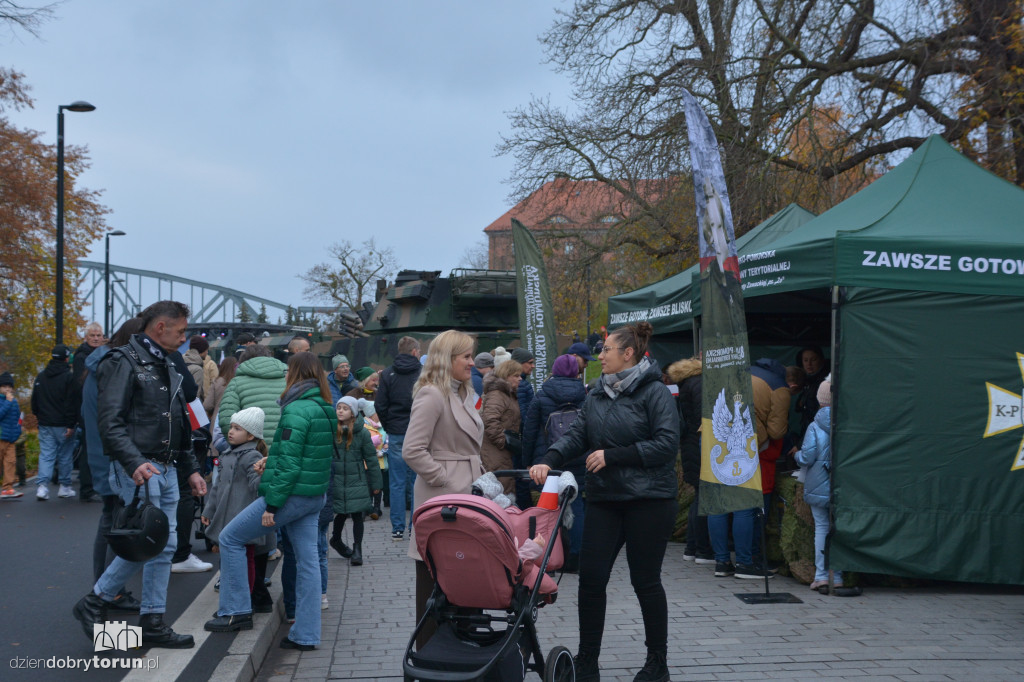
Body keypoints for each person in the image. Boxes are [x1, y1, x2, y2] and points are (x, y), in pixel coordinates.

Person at [529, 321, 678, 682]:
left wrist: (614, 455)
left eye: (606, 349)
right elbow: (578, 434)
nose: (600, 354)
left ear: (628, 354)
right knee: (592, 579)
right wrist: (549, 458)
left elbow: (667, 444)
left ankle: (657, 663)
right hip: (604, 498)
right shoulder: (596, 391)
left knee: (645, 581)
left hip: (649, 499)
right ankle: (587, 661)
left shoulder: (655, 392)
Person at [73, 300, 207, 649]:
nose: (184, 338)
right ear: (160, 328)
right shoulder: (122, 361)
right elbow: (109, 422)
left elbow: (179, 423)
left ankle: (149, 620)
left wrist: (190, 469)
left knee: (159, 546)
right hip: (142, 467)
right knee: (146, 542)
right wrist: (133, 463)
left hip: (161, 465)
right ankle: (99, 602)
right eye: (180, 331)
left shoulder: (162, 362)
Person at [204, 352, 333, 652]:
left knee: (230, 537)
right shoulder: (322, 407)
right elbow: (303, 453)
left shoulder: (295, 408)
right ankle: (307, 634)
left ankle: (235, 610)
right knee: (308, 562)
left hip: (291, 495)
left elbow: (289, 462)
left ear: (295, 374)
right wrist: (269, 460)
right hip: (314, 495)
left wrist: (272, 506)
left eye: (288, 371)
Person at [403, 330, 484, 648]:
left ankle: (463, 653)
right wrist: (446, 481)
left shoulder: (462, 392)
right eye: (465, 356)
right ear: (447, 359)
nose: (471, 361)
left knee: (467, 580)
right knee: (436, 586)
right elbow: (412, 450)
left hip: (467, 498)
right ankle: (432, 656)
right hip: (443, 502)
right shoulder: (432, 394)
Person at [81, 317, 146, 612]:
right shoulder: (114, 366)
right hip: (115, 455)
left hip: (101, 452)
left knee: (110, 520)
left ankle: (105, 589)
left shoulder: (97, 364)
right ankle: (109, 592)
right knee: (120, 523)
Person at [216, 343, 287, 609]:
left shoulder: (238, 381)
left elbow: (226, 420)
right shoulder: (285, 376)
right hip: (281, 455)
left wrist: (241, 441)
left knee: (242, 525)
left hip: (250, 454)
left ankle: (250, 591)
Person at [522, 354, 587, 570]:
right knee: (576, 504)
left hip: (547, 461)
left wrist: (528, 461)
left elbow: (529, 432)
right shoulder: (584, 395)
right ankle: (575, 557)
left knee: (547, 509)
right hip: (578, 458)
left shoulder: (542, 395)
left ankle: (549, 555)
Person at [201, 407, 268, 602]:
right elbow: (216, 487)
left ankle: (243, 600)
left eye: (237, 428)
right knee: (229, 560)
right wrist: (209, 509)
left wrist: (263, 474)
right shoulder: (226, 455)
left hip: (242, 517)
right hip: (225, 516)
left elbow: (256, 487)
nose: (230, 431)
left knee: (246, 560)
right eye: (231, 427)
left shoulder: (252, 456)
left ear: (250, 435)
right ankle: (233, 597)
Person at [795, 375, 841, 590]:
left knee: (821, 527)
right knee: (839, 528)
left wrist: (796, 456)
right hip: (842, 485)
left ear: (820, 399)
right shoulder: (847, 423)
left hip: (818, 482)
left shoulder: (815, 426)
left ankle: (822, 576)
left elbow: (807, 457)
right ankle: (838, 576)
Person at [666, 356, 713, 565]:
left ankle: (693, 547)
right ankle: (701, 549)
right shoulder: (700, 382)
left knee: (699, 497)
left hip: (690, 446)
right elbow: (705, 418)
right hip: (700, 446)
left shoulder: (687, 382)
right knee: (703, 498)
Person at [375, 336, 421, 541]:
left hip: (396, 432)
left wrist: (389, 426)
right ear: (414, 352)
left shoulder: (386, 373)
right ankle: (415, 525)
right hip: (419, 432)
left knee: (396, 481)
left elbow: (380, 405)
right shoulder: (423, 373)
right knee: (417, 480)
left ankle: (397, 528)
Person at [328, 396, 382, 567]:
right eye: (339, 408)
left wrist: (376, 484)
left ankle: (357, 549)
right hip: (336, 479)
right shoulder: (331, 431)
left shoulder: (362, 432)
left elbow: (371, 459)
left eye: (345, 408)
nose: (340, 411)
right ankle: (336, 539)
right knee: (341, 513)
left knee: (358, 514)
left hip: (357, 480)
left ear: (353, 412)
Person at [31, 344, 79, 501]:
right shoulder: (68, 377)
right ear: (66, 358)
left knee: (46, 455)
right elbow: (71, 403)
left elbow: (34, 402)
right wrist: (71, 424)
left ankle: (42, 487)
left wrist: (39, 416)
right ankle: (64, 487)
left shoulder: (41, 376)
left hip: (45, 423)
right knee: (65, 456)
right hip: (63, 424)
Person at [479, 360, 523, 494]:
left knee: (505, 484)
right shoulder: (497, 394)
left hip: (500, 450)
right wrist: (503, 442)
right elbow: (490, 420)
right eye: (516, 375)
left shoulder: (506, 394)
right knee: (500, 488)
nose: (520, 378)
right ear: (507, 376)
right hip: (494, 449)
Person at [72, 322, 105, 502]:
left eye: (98, 335)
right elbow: (80, 384)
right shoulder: (82, 357)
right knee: (89, 449)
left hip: (97, 407)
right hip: (88, 408)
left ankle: (93, 486)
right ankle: (87, 488)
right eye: (92, 335)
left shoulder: (100, 354)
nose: (95, 338)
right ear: (86, 338)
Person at [509, 347, 536, 508]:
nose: (532, 366)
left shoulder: (520, 384)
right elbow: (526, 417)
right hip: (521, 441)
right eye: (530, 363)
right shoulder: (524, 386)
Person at [360, 398, 388, 519]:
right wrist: (374, 442)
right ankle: (367, 507)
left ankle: (376, 508)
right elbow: (361, 443)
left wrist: (385, 446)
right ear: (371, 414)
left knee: (378, 486)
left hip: (380, 462)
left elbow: (387, 441)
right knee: (367, 485)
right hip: (367, 463)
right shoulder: (364, 426)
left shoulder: (382, 427)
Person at [795, 346, 827, 439]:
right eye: (805, 360)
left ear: (821, 360)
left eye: (813, 360)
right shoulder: (808, 381)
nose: (809, 364)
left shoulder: (824, 383)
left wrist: (800, 444)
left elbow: (817, 418)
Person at [0, 372, 22, 499]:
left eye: (9, 386)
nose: (8, 389)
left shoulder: (14, 402)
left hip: (11, 438)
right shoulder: (6, 401)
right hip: (1, 436)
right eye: (4, 386)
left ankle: (8, 488)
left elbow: (18, 417)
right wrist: (7, 402)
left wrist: (18, 429)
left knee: (10, 462)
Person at [183, 336, 207, 400]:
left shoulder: (181, 362)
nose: (207, 353)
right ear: (202, 350)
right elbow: (196, 395)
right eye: (206, 350)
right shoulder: (198, 369)